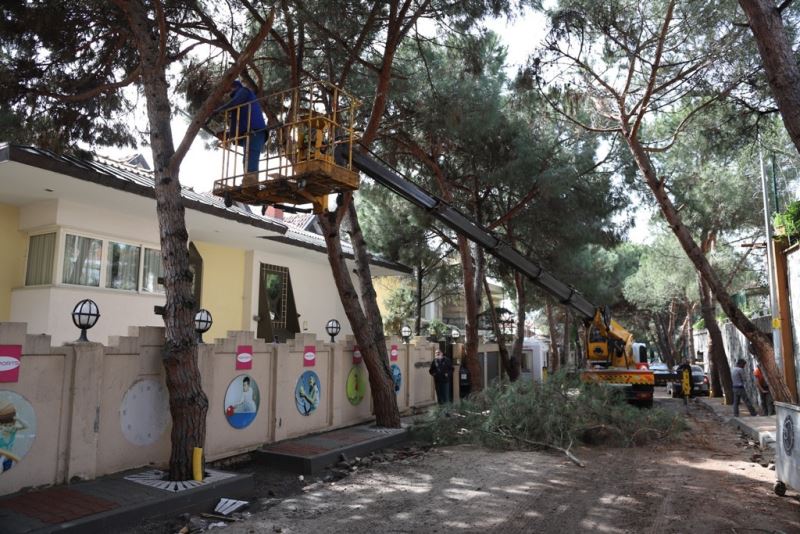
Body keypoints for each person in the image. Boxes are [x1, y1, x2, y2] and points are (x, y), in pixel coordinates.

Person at [214, 79, 267, 186]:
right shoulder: (239, 101)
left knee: (251, 156)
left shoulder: (244, 91)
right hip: (250, 132)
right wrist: (228, 135)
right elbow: (239, 124)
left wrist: (219, 110)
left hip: (255, 131)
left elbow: (235, 103)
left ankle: (251, 181)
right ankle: (249, 181)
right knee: (247, 158)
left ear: (232, 86)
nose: (226, 91)